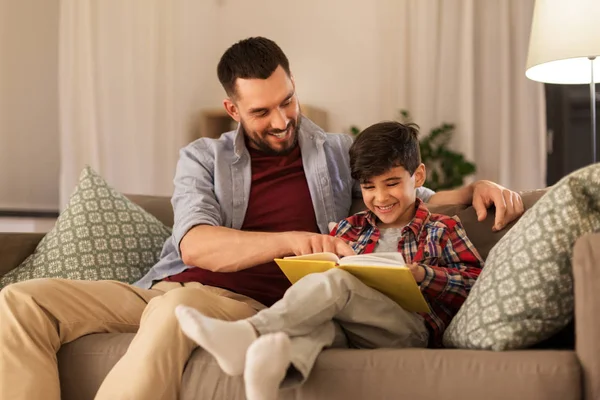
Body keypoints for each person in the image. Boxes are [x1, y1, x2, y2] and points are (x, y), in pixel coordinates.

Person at [0, 37, 522, 400]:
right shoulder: (202, 158)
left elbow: (400, 195)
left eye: (287, 101)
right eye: (261, 112)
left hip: (236, 301)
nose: (281, 120)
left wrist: (474, 187)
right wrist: (299, 240)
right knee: (19, 302)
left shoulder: (336, 152)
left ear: (294, 85)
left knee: (178, 308)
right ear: (232, 109)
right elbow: (196, 247)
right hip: (161, 286)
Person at [174, 120, 485, 400]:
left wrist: (422, 274)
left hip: (410, 330)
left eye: (391, 183)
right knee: (316, 326)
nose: (380, 197)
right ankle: (267, 378)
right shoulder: (349, 229)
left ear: (417, 176)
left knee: (339, 283)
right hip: (353, 330)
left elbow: (477, 285)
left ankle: (249, 332)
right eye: (368, 187)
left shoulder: (441, 228)